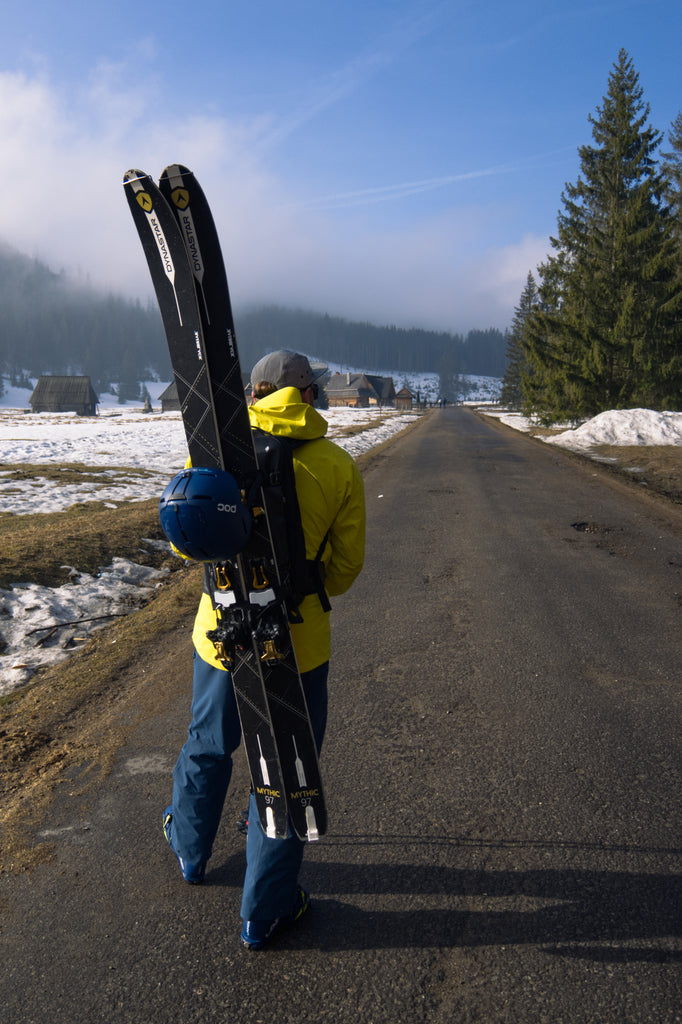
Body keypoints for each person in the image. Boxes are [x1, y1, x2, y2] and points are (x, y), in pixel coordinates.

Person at [162, 349, 366, 950]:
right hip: (297, 648)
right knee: (284, 771)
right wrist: (299, 589)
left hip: (222, 636)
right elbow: (346, 569)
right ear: (308, 395)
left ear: (254, 394)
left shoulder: (215, 455)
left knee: (208, 742)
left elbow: (185, 541)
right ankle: (266, 911)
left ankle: (190, 852)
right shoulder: (336, 465)